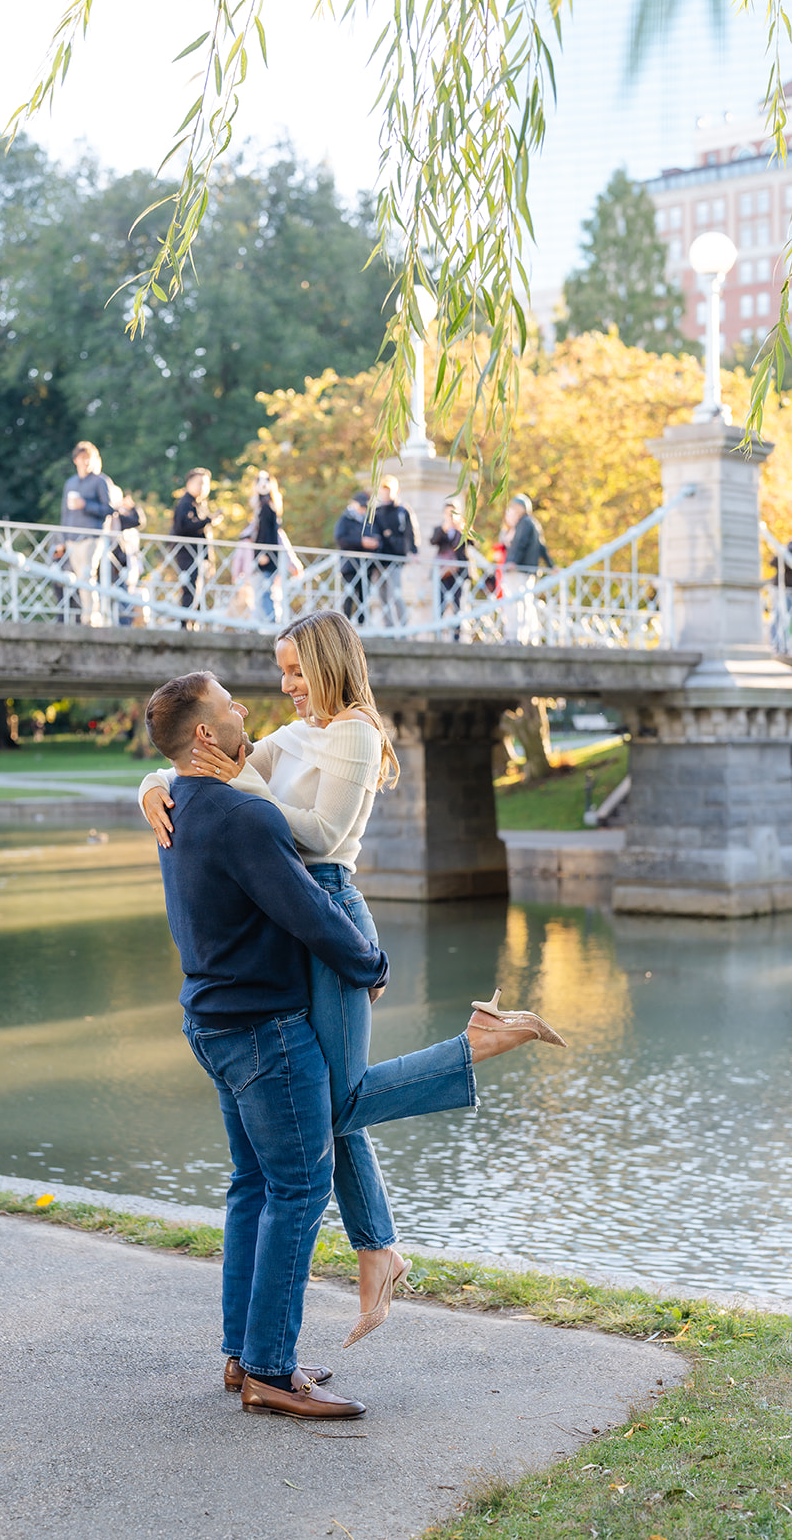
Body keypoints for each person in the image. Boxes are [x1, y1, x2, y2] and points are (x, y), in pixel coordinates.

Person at [143, 667, 566, 1420]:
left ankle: (244, 1355)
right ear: (206, 733)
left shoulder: (181, 803)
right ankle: (271, 1372)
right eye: (229, 704)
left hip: (210, 1022)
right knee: (299, 1187)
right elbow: (306, 909)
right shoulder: (245, 819)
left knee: (253, 1185)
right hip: (263, 1028)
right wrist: (372, 962)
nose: (247, 706)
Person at [53, 441, 116, 626]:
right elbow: (65, 513)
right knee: (79, 577)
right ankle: (85, 614)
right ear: (76, 460)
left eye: (89, 458)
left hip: (91, 536)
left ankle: (91, 616)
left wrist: (86, 505)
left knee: (87, 574)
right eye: (82, 458)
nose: (86, 462)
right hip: (72, 537)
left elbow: (110, 509)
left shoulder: (101, 481)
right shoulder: (70, 483)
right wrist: (62, 539)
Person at [248, 473, 302, 625]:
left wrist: (263, 553)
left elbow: (268, 533)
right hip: (268, 555)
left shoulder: (266, 507)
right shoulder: (267, 506)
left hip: (266, 556)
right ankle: (268, 621)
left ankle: (270, 622)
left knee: (265, 591)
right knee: (264, 590)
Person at [171, 468, 219, 628]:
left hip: (197, 554)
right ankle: (185, 624)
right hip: (187, 554)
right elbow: (183, 527)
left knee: (196, 589)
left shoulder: (199, 504)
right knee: (190, 588)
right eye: (199, 483)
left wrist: (209, 560)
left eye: (205, 484)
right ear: (189, 483)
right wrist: (207, 520)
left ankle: (192, 622)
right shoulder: (185, 503)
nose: (203, 487)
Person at [502, 493, 553, 644]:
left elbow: (520, 544)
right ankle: (530, 636)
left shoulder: (524, 523)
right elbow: (542, 547)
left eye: (515, 508)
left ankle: (514, 636)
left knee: (516, 603)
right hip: (528, 570)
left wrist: (512, 561)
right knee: (526, 602)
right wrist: (551, 565)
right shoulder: (533, 524)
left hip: (519, 570)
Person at [371, 477, 419, 629]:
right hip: (379, 559)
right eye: (383, 491)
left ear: (396, 491)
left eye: (388, 490)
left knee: (396, 593)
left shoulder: (402, 510)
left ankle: (403, 625)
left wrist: (413, 550)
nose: (385, 494)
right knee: (382, 596)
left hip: (396, 558)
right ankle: (389, 627)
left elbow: (411, 532)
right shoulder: (376, 512)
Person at [334, 491, 379, 624]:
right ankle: (344, 624)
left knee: (364, 596)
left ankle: (362, 623)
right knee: (349, 594)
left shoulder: (369, 521)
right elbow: (340, 539)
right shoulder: (345, 519)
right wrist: (361, 542)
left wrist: (374, 543)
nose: (362, 509)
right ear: (353, 504)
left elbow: (377, 537)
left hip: (366, 565)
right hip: (349, 564)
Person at [107, 490, 147, 626]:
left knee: (123, 598)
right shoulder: (111, 517)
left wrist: (132, 507)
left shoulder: (119, 519)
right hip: (109, 562)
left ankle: (123, 625)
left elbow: (138, 521)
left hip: (119, 565)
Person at [431, 500, 469, 639]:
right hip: (443, 573)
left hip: (458, 572)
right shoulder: (440, 529)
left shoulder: (463, 530)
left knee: (458, 604)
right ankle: (438, 633)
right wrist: (443, 530)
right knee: (440, 602)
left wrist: (462, 530)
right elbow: (433, 541)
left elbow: (472, 543)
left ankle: (457, 636)